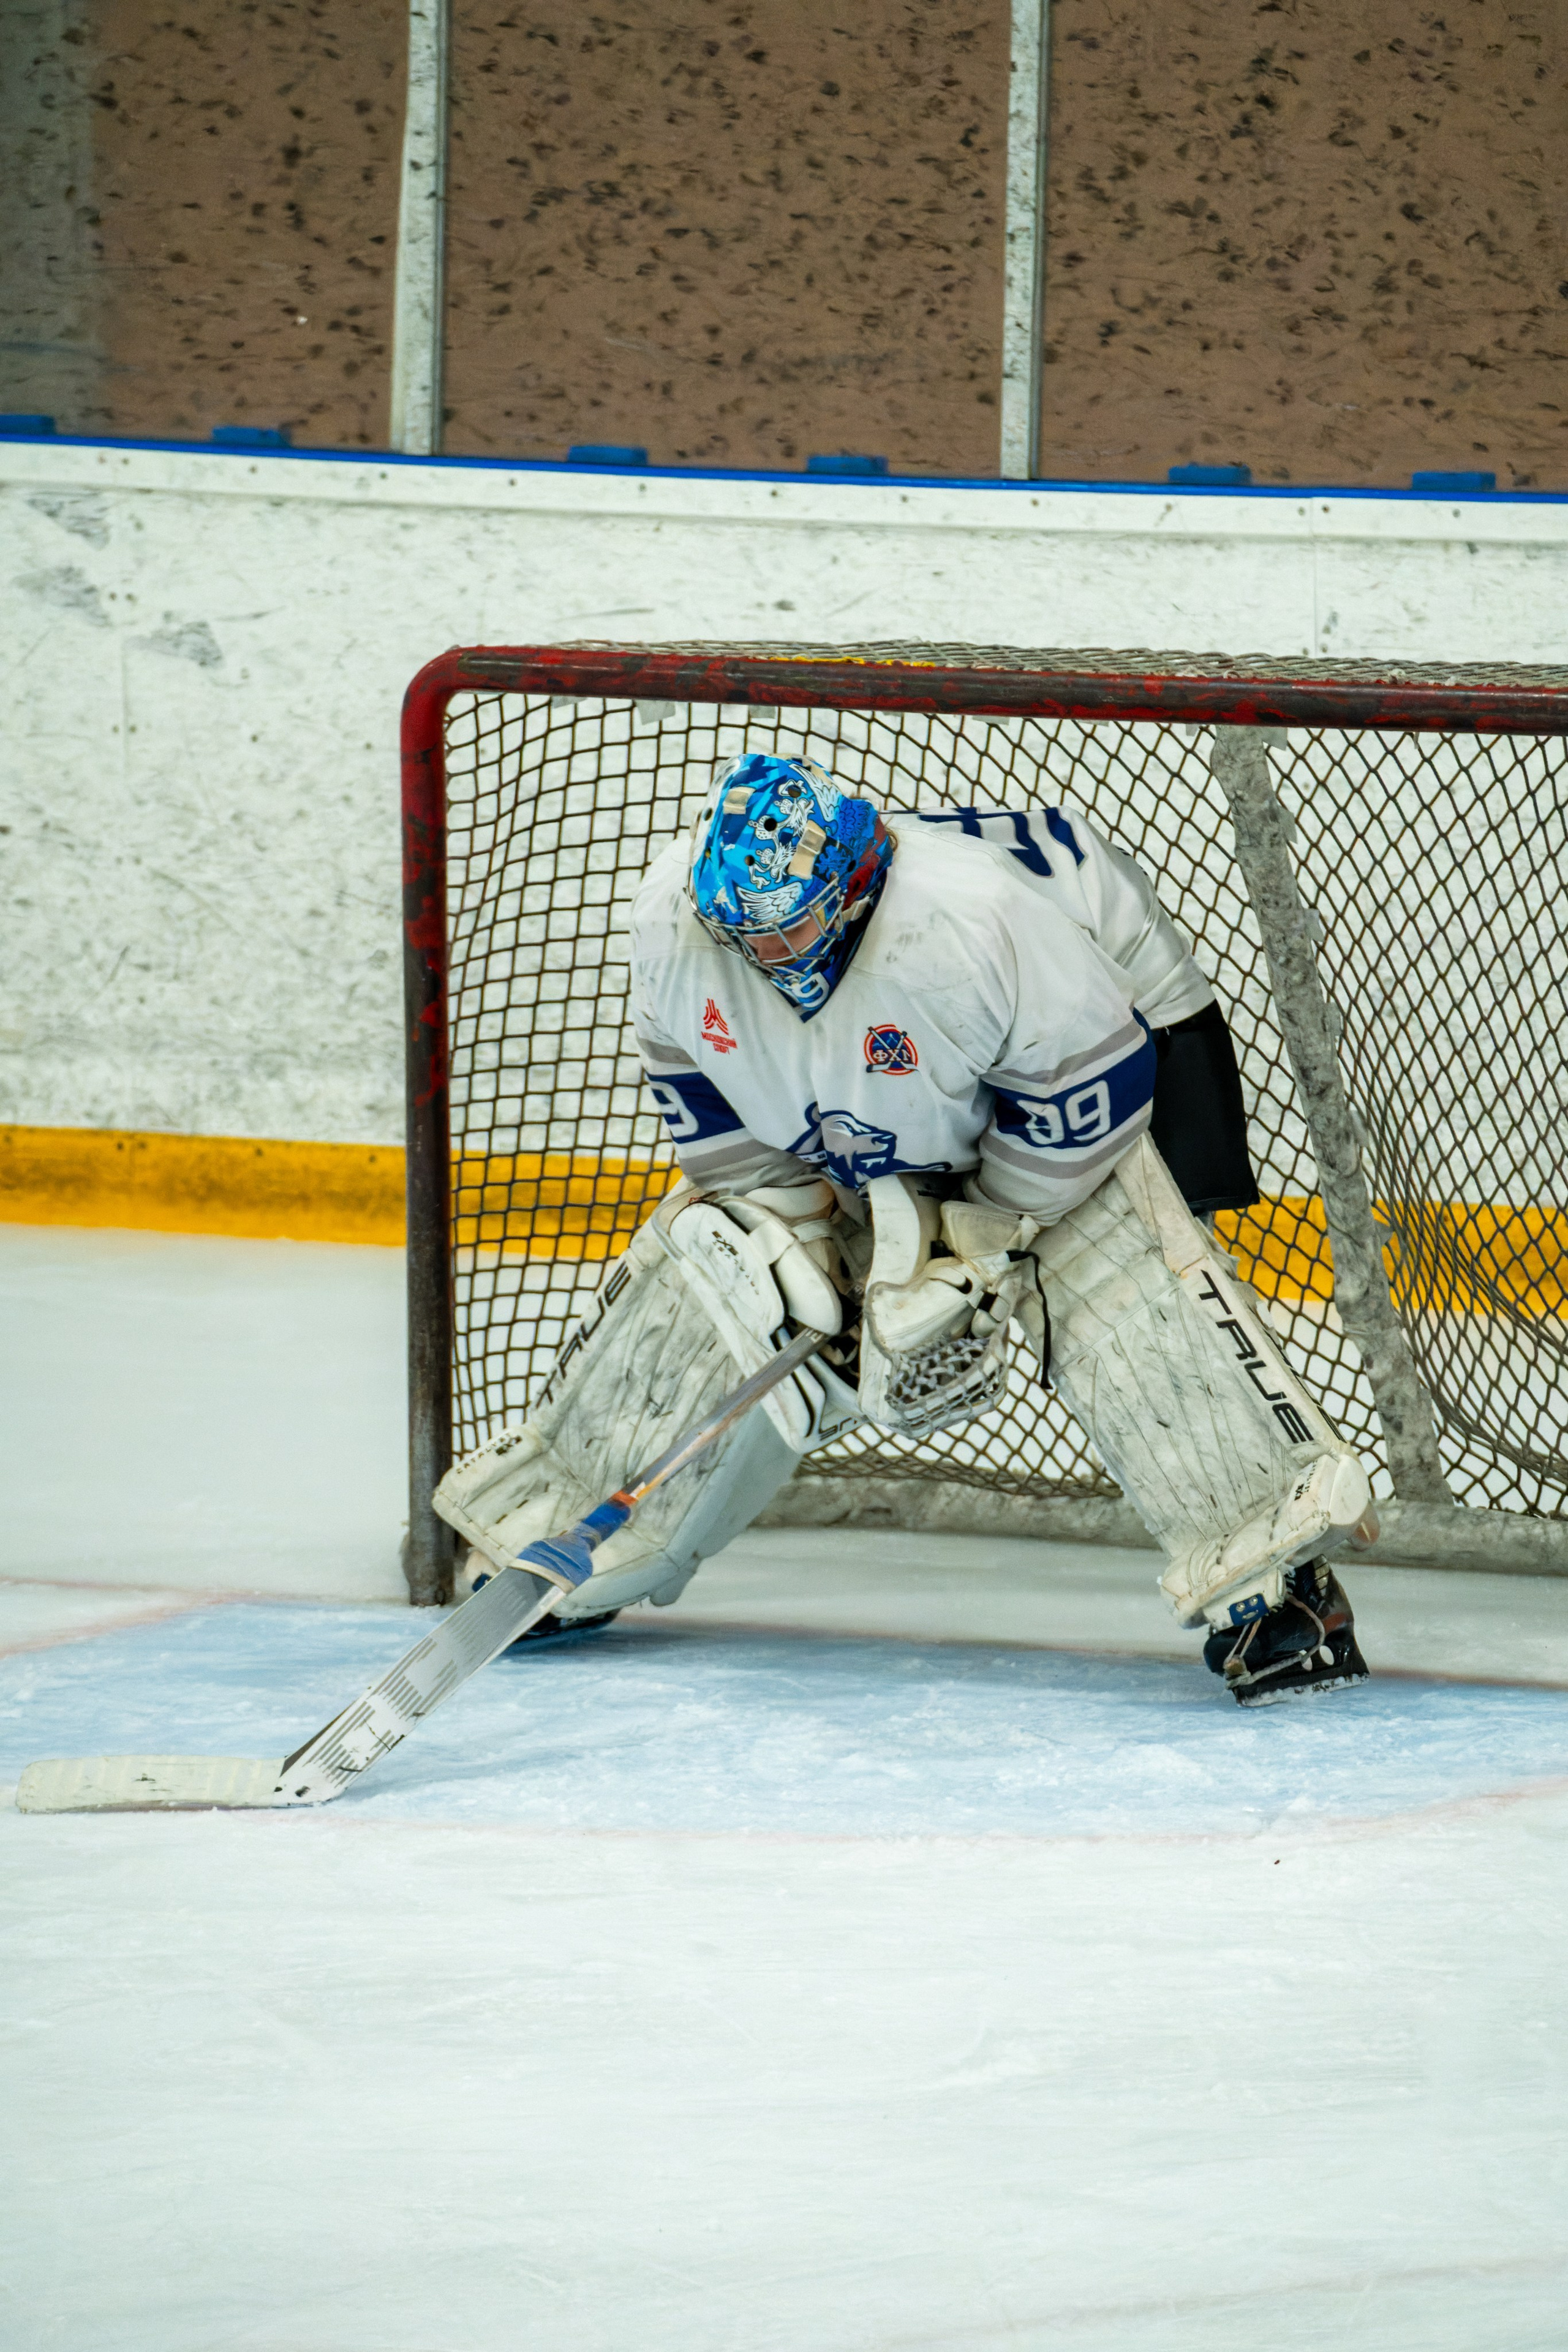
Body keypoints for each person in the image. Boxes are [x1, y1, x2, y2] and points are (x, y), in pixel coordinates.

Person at [437, 753, 1374, 1706]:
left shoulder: (971, 926)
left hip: (1108, 1062)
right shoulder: (679, 922)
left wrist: (980, 1238)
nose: (766, 955)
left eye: (790, 929)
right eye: (745, 936)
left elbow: (1088, 1096)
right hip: (889, 1100)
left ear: (852, 891)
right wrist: (796, 1228)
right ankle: (570, 1528)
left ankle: (1273, 1577)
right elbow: (698, 1086)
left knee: (1105, 1272)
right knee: (724, 1268)